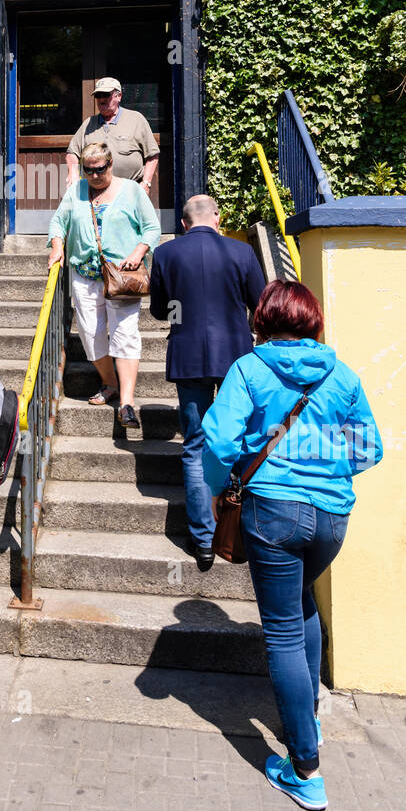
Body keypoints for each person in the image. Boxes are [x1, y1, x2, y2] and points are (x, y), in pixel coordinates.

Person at [201, 280, 382, 811]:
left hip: (273, 512)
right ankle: (312, 720)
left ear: (262, 318)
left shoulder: (249, 370)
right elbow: (368, 447)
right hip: (331, 517)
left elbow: (217, 441)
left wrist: (220, 489)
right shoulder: (341, 374)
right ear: (312, 320)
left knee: (280, 630)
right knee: (302, 605)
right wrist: (326, 470)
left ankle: (305, 768)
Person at [150, 194, 265, 571]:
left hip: (188, 357)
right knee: (241, 439)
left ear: (183, 223)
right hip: (236, 358)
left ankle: (202, 540)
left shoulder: (166, 254)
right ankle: (240, 527)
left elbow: (159, 309)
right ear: (218, 218)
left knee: (196, 446)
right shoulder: (242, 253)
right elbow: (260, 305)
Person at [48, 142, 160, 429]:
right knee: (90, 334)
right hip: (84, 274)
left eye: (100, 169)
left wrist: (138, 253)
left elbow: (152, 228)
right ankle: (109, 382)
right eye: (89, 170)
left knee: (124, 333)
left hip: (122, 275)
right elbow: (58, 222)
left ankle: (126, 402)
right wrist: (57, 246)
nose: (95, 175)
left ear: (111, 165)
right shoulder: (76, 191)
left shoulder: (132, 191)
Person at [65, 77, 160, 193]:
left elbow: (152, 155)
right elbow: (72, 153)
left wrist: (146, 183)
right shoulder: (88, 124)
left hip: (128, 191)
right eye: (98, 95)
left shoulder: (136, 119)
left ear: (119, 96)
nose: (101, 99)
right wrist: (73, 173)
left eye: (105, 94)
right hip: (94, 192)